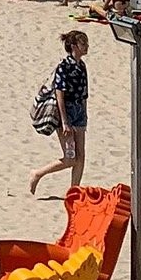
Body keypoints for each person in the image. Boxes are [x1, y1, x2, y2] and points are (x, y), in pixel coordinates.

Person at [29, 30, 90, 194]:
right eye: (83, 43)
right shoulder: (63, 67)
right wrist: (65, 122)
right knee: (70, 158)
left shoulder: (82, 66)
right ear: (73, 46)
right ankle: (38, 173)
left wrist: (84, 113)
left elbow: (84, 93)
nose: (86, 46)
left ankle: (74, 191)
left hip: (79, 112)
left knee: (81, 156)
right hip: (66, 112)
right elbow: (60, 95)